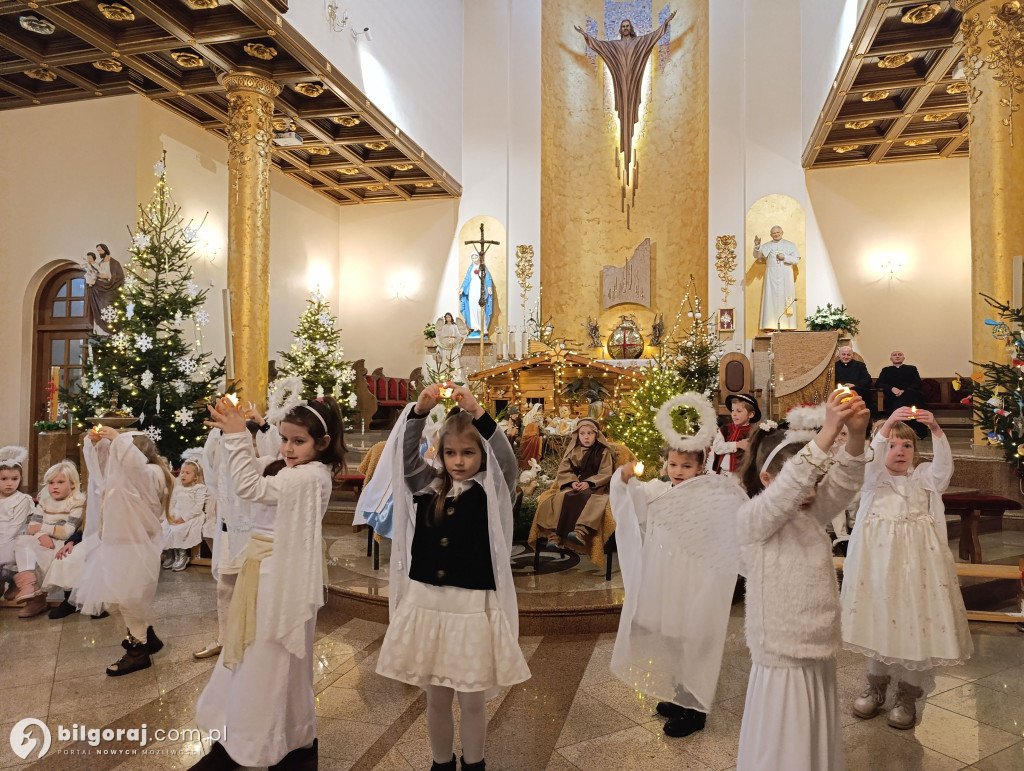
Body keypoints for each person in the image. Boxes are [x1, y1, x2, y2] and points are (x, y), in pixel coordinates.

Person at [376, 384, 529, 771]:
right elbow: (407, 460)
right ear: (440, 453)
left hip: (471, 609)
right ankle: (441, 763)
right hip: (428, 604)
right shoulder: (428, 486)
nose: (458, 461)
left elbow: (507, 463)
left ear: (481, 454)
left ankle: (474, 763)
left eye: (468, 452)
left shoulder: (491, 491)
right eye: (450, 453)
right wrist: (419, 414)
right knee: (436, 698)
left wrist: (480, 414)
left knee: (472, 700)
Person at [191, 396, 345, 770]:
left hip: (281, 579)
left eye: (298, 441)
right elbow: (258, 464)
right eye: (285, 439)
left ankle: (260, 741)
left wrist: (236, 435)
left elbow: (249, 486)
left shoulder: (311, 477)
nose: (287, 449)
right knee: (254, 652)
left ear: (321, 444)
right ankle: (263, 731)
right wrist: (255, 429)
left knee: (270, 659)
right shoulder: (289, 467)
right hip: (262, 569)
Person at [735, 390, 870, 770]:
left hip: (817, 642)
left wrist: (855, 435)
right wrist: (828, 431)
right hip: (782, 650)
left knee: (813, 732)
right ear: (767, 478)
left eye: (816, 483)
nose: (811, 492)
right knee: (786, 738)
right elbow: (792, 485)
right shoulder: (755, 517)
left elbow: (842, 482)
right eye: (805, 482)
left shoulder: (808, 514)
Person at [611, 396, 749, 739]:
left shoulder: (712, 492)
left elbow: (736, 514)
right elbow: (633, 503)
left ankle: (695, 708)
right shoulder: (659, 490)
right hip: (668, 579)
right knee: (673, 637)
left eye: (685, 467)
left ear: (701, 467)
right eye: (673, 465)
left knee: (694, 639)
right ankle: (679, 694)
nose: (678, 472)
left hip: (698, 580)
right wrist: (624, 479)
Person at [840, 407, 972, 730]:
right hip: (880, 570)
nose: (900, 452)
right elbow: (870, 460)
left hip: (919, 572)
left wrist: (938, 431)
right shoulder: (875, 479)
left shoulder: (924, 477)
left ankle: (908, 695)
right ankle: (875, 687)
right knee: (880, 621)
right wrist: (883, 431)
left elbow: (944, 469)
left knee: (917, 623)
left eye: (907, 446)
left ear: (916, 451)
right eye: (893, 446)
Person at [71, 428, 173, 674]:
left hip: (136, 546)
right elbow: (102, 472)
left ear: (134, 454)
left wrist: (118, 440)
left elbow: (135, 470)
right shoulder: (125, 475)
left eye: (122, 452)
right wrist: (98, 446)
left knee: (130, 599)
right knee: (119, 598)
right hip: (119, 544)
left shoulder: (151, 472)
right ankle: (147, 635)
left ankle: (138, 652)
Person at [193, 413, 277, 661]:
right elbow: (211, 458)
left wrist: (263, 426)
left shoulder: (268, 465)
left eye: (251, 444)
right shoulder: (225, 471)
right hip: (230, 534)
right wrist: (223, 432)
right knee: (225, 587)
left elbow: (269, 450)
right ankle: (224, 637)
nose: (247, 449)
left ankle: (253, 642)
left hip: (257, 537)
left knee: (256, 591)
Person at [12, 461, 85, 618]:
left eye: (60, 482)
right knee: (22, 542)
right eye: (51, 483)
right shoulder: (44, 501)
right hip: (45, 540)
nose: (55, 486)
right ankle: (31, 590)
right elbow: (32, 528)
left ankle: (48, 598)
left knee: (41, 551)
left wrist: (42, 529)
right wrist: (41, 535)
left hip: (61, 543)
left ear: (72, 484)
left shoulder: (77, 502)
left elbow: (66, 532)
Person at [533, 417, 614, 551]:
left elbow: (606, 473)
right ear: (578, 435)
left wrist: (589, 482)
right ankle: (554, 536)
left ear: (596, 434)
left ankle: (580, 531)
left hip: (595, 486)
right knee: (561, 498)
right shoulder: (574, 450)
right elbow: (565, 470)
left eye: (590, 433)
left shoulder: (604, 452)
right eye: (582, 433)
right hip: (574, 483)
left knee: (592, 500)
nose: (586, 437)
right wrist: (572, 482)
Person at [160, 459, 209, 572]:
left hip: (191, 517)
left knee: (178, 531)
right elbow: (172, 503)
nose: (183, 475)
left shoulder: (199, 488)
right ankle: (170, 554)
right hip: (177, 515)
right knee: (163, 529)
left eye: (187, 473)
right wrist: (171, 516)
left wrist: (184, 518)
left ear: (196, 476)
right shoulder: (178, 488)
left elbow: (197, 507)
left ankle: (182, 556)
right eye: (182, 472)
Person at [752, 226, 800, 331]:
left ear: (782, 232)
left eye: (778, 232)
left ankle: (788, 326)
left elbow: (796, 260)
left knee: (786, 299)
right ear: (770, 235)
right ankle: (770, 326)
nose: (776, 234)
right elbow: (757, 255)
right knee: (770, 298)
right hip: (771, 276)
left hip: (786, 275)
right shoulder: (767, 245)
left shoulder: (790, 245)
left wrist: (785, 257)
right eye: (773, 233)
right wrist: (757, 245)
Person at [0, 446, 32, 601]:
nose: (9, 483)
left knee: (8, 560)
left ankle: (13, 582)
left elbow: (15, 526)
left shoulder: (22, 500)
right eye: (4, 479)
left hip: (11, 539)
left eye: (14, 479)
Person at [875, 350, 927, 438]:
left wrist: (905, 391)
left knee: (909, 396)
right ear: (891, 358)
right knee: (902, 401)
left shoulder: (912, 369)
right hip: (893, 397)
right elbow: (879, 384)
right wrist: (892, 389)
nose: (897, 356)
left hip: (911, 396)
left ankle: (914, 432)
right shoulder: (886, 370)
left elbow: (918, 383)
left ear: (903, 358)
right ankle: (900, 432)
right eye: (894, 355)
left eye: (900, 355)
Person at [709, 393, 759, 476]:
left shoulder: (754, 432)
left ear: (750, 414)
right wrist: (737, 444)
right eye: (732, 410)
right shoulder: (725, 429)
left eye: (739, 411)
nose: (734, 414)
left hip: (743, 474)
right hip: (724, 473)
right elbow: (717, 448)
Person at [84, 243, 125, 335]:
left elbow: (120, 277)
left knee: (108, 308)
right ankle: (101, 332)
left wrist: (106, 276)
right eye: (98, 251)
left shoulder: (114, 263)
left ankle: (110, 331)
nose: (99, 253)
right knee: (100, 308)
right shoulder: (100, 264)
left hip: (110, 291)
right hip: (99, 291)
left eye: (100, 251)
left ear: (105, 250)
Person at [459, 252, 494, 337]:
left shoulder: (483, 267)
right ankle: (475, 327)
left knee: (480, 308)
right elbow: (467, 279)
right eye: (473, 258)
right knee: (473, 308)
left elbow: (488, 278)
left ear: (479, 257)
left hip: (481, 290)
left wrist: (489, 287)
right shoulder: (471, 268)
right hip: (472, 291)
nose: (474, 259)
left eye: (476, 257)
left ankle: (483, 328)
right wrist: (462, 288)